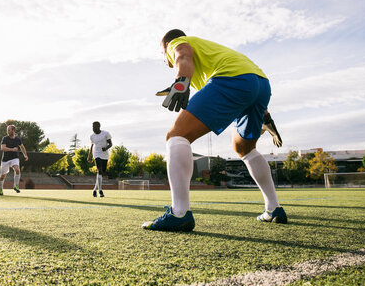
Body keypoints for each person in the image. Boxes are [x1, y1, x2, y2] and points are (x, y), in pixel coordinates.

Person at [142, 29, 287, 232]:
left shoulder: (177, 43)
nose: (164, 58)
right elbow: (250, 85)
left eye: (162, 53)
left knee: (177, 135)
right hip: (260, 83)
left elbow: (182, 53)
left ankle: (179, 213)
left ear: (166, 46)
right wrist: (267, 120)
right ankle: (274, 208)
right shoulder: (209, 54)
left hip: (231, 78)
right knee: (243, 148)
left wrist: (182, 80)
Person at [0, 125, 28, 196]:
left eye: (9, 130)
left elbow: (22, 147)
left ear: (13, 131)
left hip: (14, 158)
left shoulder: (18, 139)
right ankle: (1, 189)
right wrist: (12, 149)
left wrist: (25, 155)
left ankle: (16, 186)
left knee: (17, 169)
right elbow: (2, 148)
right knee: (2, 176)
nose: (7, 131)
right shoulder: (5, 138)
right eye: (7, 130)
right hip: (5, 160)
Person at [87, 121, 112, 198]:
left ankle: (94, 189)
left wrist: (106, 148)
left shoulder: (105, 133)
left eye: (94, 127)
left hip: (104, 155)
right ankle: (100, 190)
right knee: (99, 170)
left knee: (101, 172)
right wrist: (89, 155)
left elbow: (110, 144)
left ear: (99, 126)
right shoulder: (92, 136)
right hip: (96, 154)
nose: (93, 128)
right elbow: (92, 145)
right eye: (92, 127)